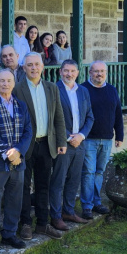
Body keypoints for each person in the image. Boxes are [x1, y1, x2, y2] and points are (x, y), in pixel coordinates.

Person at [13, 52, 67, 240]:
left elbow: (58, 116)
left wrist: (61, 141)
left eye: (37, 64)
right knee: (24, 186)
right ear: (24, 68)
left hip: (46, 144)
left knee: (44, 186)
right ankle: (26, 223)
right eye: (29, 65)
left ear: (42, 66)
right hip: (26, 146)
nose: (34, 68)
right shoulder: (17, 89)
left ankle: (43, 224)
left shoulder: (52, 88)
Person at [0, 70, 32, 254]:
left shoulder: (21, 105)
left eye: (8, 81)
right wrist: (7, 153)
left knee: (14, 199)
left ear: (14, 83)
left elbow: (28, 131)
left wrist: (18, 151)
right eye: (1, 81)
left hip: (18, 162)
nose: (5, 84)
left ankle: (10, 233)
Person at [49, 60, 94, 231]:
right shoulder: (54, 90)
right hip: (63, 144)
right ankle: (55, 216)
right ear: (60, 72)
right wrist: (68, 137)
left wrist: (81, 136)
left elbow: (90, 116)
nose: (69, 74)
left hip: (80, 143)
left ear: (77, 72)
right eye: (66, 71)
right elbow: (51, 118)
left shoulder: (83, 91)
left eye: (73, 71)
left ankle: (68, 211)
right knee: (58, 180)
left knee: (74, 180)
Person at [79, 61, 124, 219]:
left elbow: (118, 113)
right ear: (90, 72)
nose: (99, 74)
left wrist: (120, 135)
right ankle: (86, 206)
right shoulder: (83, 89)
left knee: (99, 172)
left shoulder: (112, 90)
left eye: (102, 71)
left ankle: (96, 202)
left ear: (106, 72)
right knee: (88, 173)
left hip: (106, 139)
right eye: (96, 71)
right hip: (89, 139)